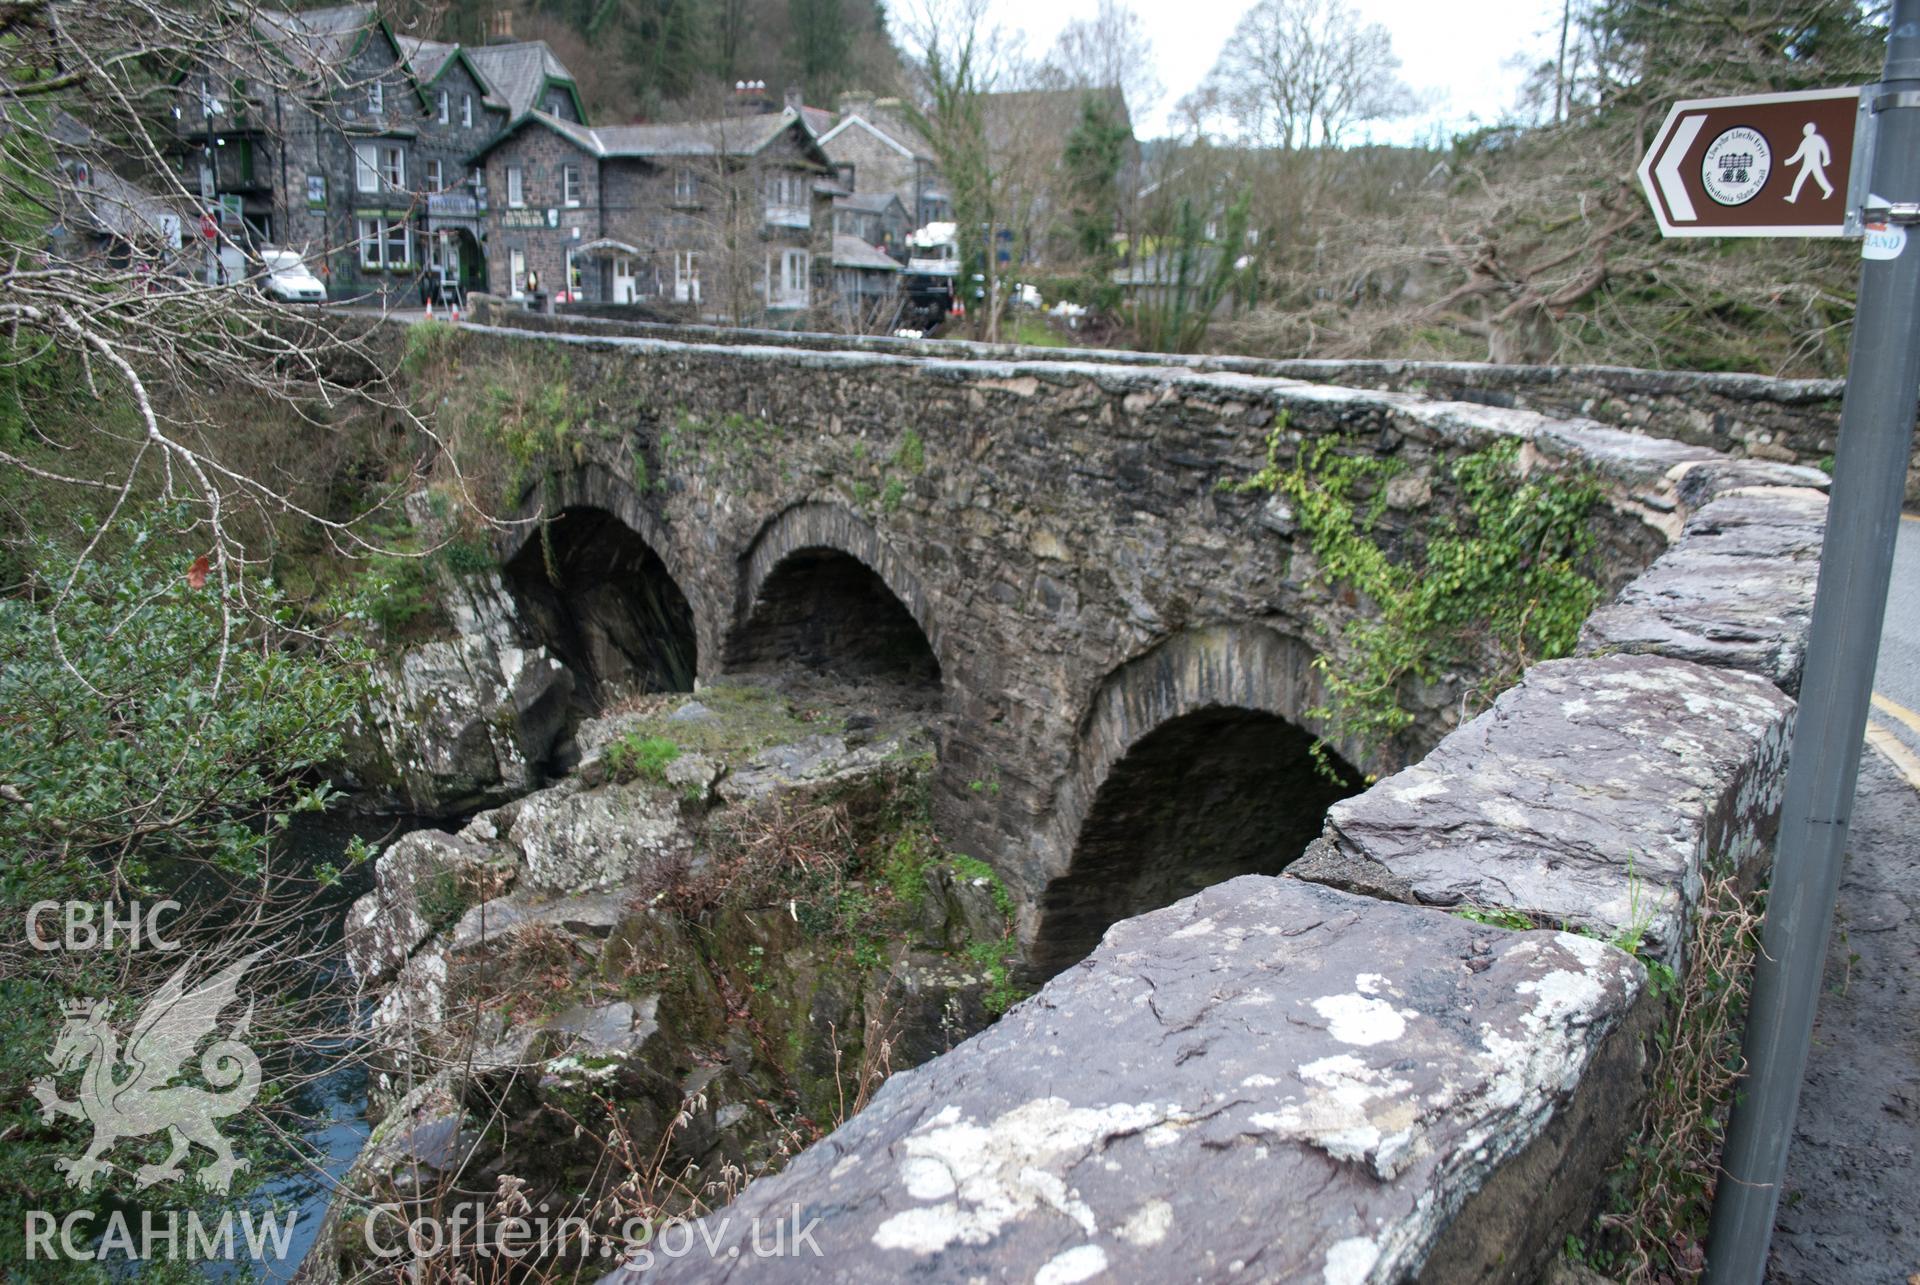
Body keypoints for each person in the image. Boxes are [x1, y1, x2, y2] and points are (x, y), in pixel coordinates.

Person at [1785, 123, 1834, 204]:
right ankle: (1793, 197)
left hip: (1814, 163)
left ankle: (1828, 189)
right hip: (1808, 163)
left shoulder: (1818, 139)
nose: (1805, 131)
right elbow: (1799, 154)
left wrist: (1826, 159)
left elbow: (1824, 149)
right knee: (1803, 178)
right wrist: (1789, 161)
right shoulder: (1805, 141)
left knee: (1816, 177)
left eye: (1806, 129)